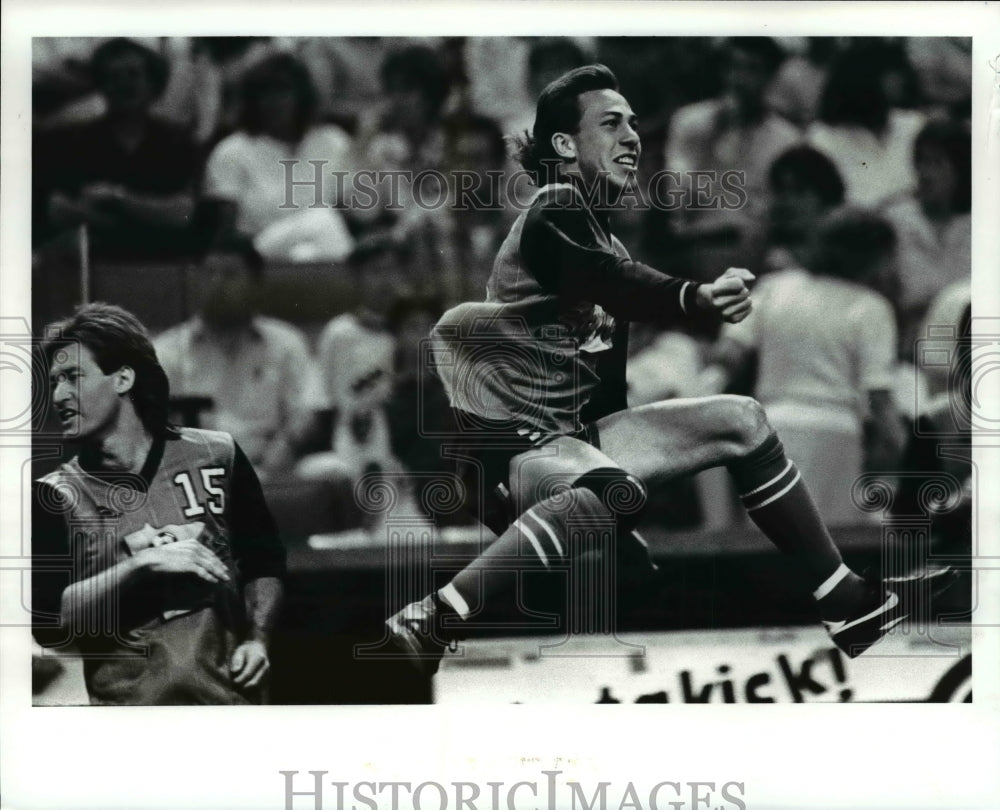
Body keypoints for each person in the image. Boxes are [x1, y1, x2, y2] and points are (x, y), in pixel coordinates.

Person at [385, 64, 952, 675]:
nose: (631, 136)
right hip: (499, 447)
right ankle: (434, 616)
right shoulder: (553, 211)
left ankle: (847, 601)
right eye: (611, 123)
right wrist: (695, 298)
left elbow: (598, 395)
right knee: (599, 489)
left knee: (742, 419)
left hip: (568, 447)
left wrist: (616, 516)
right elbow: (615, 285)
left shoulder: (607, 239)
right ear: (564, 146)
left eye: (632, 122)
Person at [31, 303, 285, 704]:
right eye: (54, 382)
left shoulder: (218, 454)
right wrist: (141, 566)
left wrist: (258, 640)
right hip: (130, 728)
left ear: (123, 378)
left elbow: (264, 562)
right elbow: (47, 624)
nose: (59, 395)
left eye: (72, 377)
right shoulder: (54, 494)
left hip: (231, 710)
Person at [703, 208, 906, 525]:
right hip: (835, 433)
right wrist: (907, 452)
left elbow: (728, 354)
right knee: (830, 549)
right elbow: (879, 397)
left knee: (768, 543)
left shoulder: (774, 288)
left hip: (769, 430)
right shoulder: (872, 307)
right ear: (875, 256)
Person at [154, 241, 317, 481]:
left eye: (230, 274)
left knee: (330, 470)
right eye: (209, 274)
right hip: (191, 475)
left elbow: (305, 412)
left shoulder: (286, 343)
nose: (218, 283)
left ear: (256, 283)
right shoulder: (166, 351)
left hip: (270, 467)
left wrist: (283, 450)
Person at [33, 38, 201, 258]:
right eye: (113, 77)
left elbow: (183, 214)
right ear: (101, 86)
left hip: (161, 265)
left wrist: (118, 200)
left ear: (153, 83)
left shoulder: (177, 142)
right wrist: (148, 216)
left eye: (133, 74)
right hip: (92, 265)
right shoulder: (73, 141)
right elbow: (57, 209)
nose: (123, 84)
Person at [202, 52, 355, 262]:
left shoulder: (332, 142)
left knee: (317, 235)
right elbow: (223, 235)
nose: (274, 103)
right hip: (258, 263)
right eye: (265, 94)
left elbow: (355, 216)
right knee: (321, 220)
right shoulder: (232, 151)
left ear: (301, 96)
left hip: (325, 257)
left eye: (283, 92)